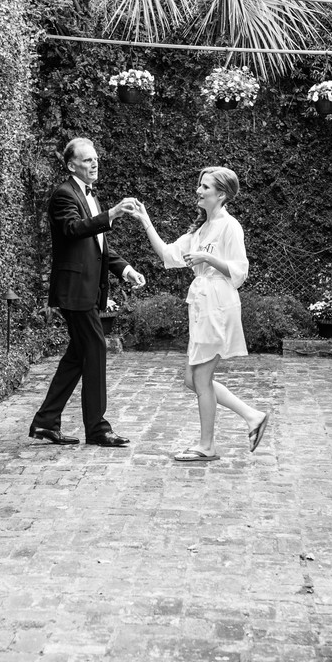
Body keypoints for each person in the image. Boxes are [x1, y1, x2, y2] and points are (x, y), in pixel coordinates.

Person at [130, 166, 269, 461]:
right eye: (200, 186)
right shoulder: (200, 229)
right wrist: (146, 222)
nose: (199, 191)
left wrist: (207, 257)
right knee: (191, 380)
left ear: (221, 194)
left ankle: (207, 446)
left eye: (205, 187)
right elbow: (169, 255)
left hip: (218, 304)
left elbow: (240, 272)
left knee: (201, 379)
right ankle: (252, 415)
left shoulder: (230, 227)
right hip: (202, 306)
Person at [29, 137, 145, 447]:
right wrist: (112, 213)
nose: (94, 164)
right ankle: (97, 427)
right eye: (86, 160)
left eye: (95, 159)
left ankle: (46, 422)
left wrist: (124, 268)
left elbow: (97, 245)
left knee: (77, 356)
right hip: (74, 290)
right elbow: (74, 230)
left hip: (87, 290)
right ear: (71, 165)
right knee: (95, 348)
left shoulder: (89, 197)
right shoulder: (63, 195)